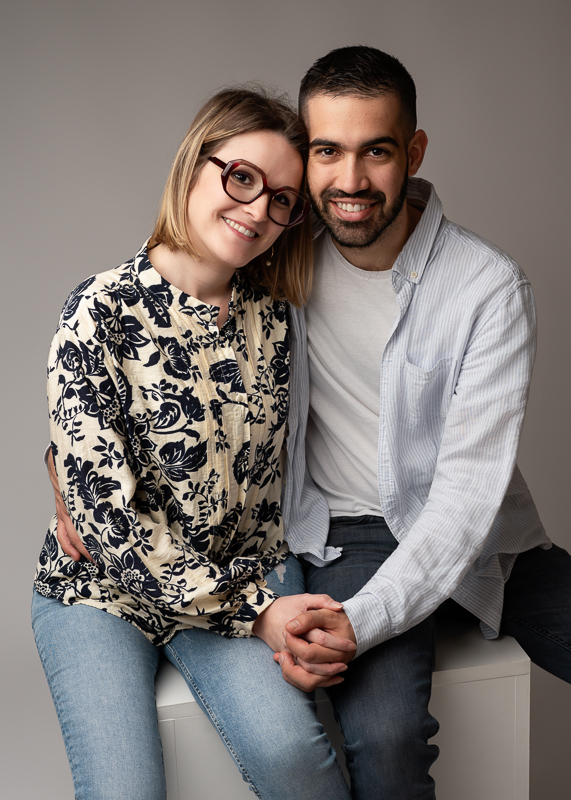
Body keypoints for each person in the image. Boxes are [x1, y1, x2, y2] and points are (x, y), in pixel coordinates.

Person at [32, 87, 355, 800]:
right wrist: (257, 614)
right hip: (102, 593)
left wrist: (262, 603)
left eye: (281, 200)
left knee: (295, 760)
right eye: (240, 177)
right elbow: (106, 519)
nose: (257, 210)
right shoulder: (100, 309)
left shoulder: (279, 321)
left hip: (237, 577)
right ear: (193, 165)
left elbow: (377, 216)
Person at [270, 45, 571, 799]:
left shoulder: (486, 287)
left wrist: (362, 621)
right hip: (352, 531)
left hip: (488, 537)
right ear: (303, 156)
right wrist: (64, 454)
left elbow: (468, 493)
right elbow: (150, 324)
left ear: (413, 151)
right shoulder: (277, 256)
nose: (349, 181)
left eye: (374, 151)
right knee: (387, 740)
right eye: (326, 151)